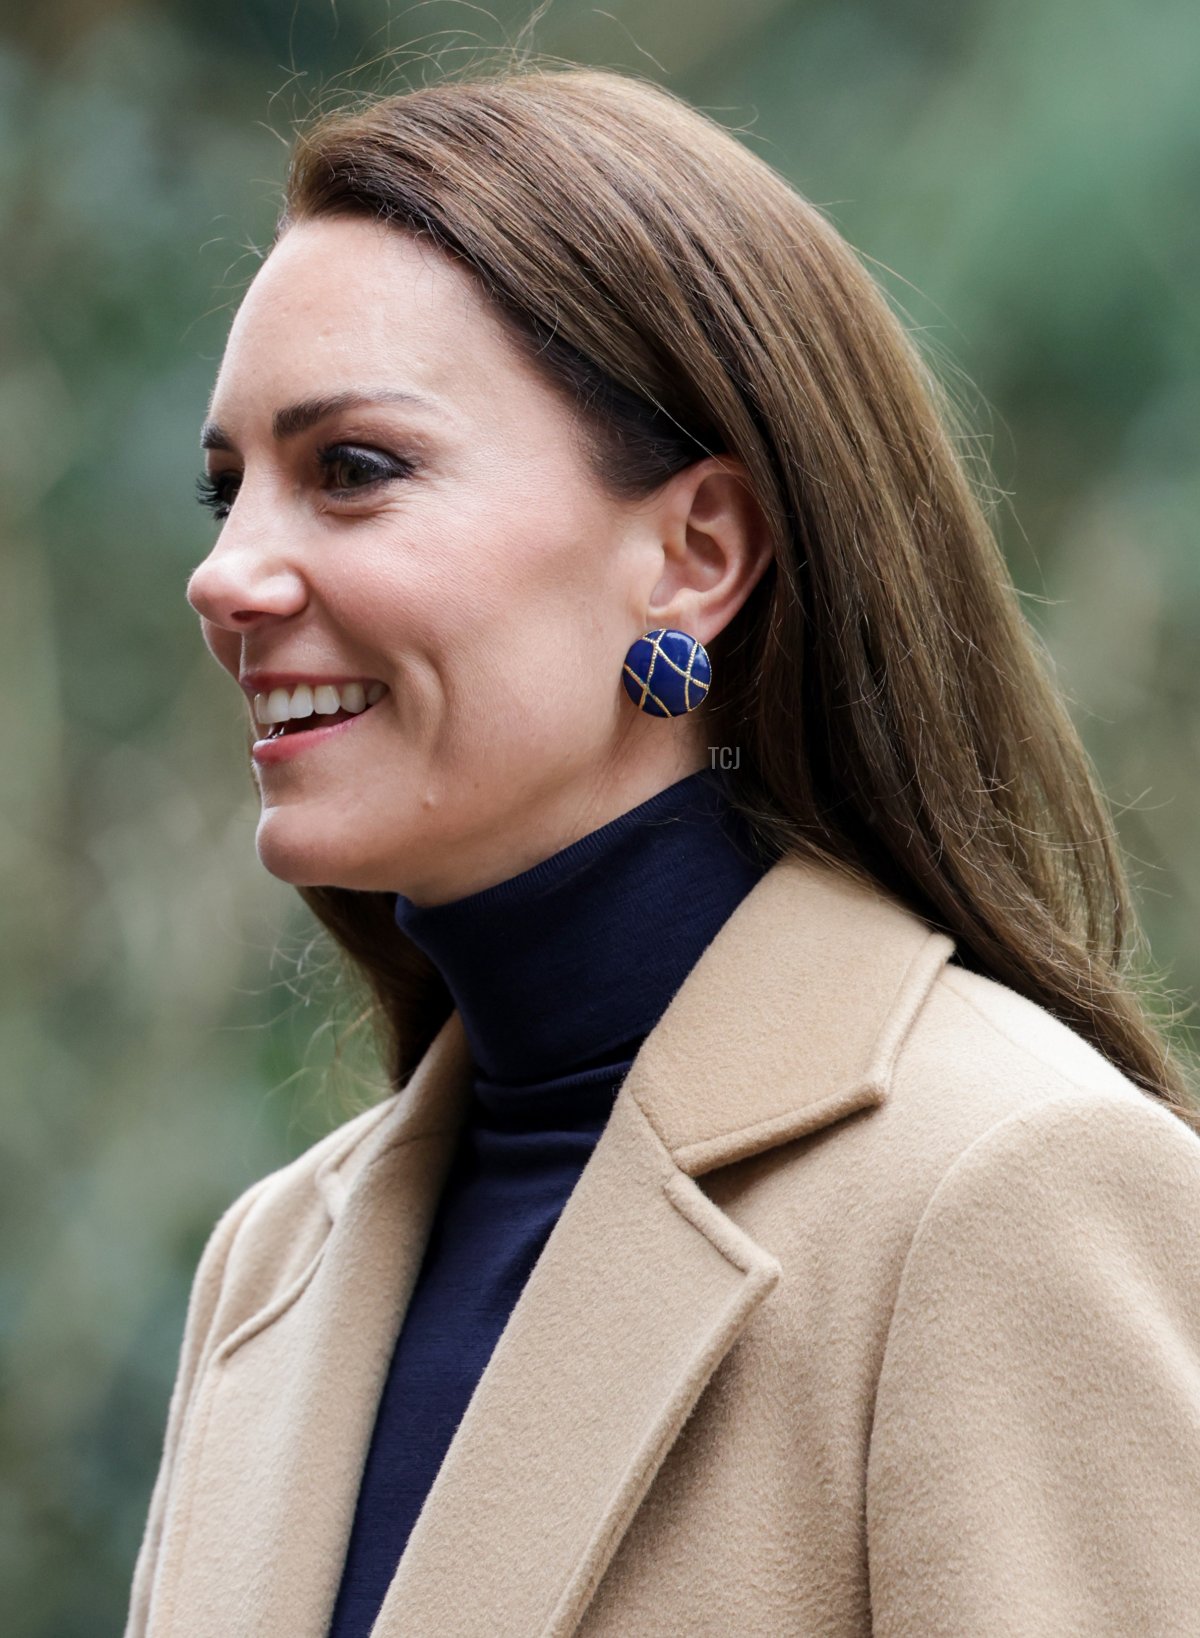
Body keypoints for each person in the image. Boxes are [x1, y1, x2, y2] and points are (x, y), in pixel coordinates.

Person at [124, 61, 1200, 1638]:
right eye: (225, 492)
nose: (227, 574)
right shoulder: (272, 1262)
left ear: (696, 553)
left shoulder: (1005, 1189)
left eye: (350, 468)